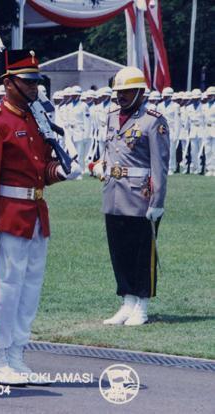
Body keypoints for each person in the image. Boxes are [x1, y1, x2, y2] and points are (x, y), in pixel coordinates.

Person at [0, 49, 82, 386]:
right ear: (9, 83)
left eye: (37, 81)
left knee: (30, 287)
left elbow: (40, 169)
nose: (34, 88)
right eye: (27, 81)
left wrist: (60, 172)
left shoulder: (36, 120)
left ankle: (18, 352)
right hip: (7, 215)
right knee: (5, 286)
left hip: (35, 212)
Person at [92, 66, 169, 326]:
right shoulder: (112, 117)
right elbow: (108, 150)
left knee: (141, 253)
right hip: (113, 192)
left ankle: (142, 305)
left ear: (139, 92)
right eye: (118, 92)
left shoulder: (153, 119)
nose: (120, 97)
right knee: (119, 250)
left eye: (126, 92)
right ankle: (127, 301)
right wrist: (100, 166)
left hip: (141, 196)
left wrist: (157, 201)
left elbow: (160, 164)